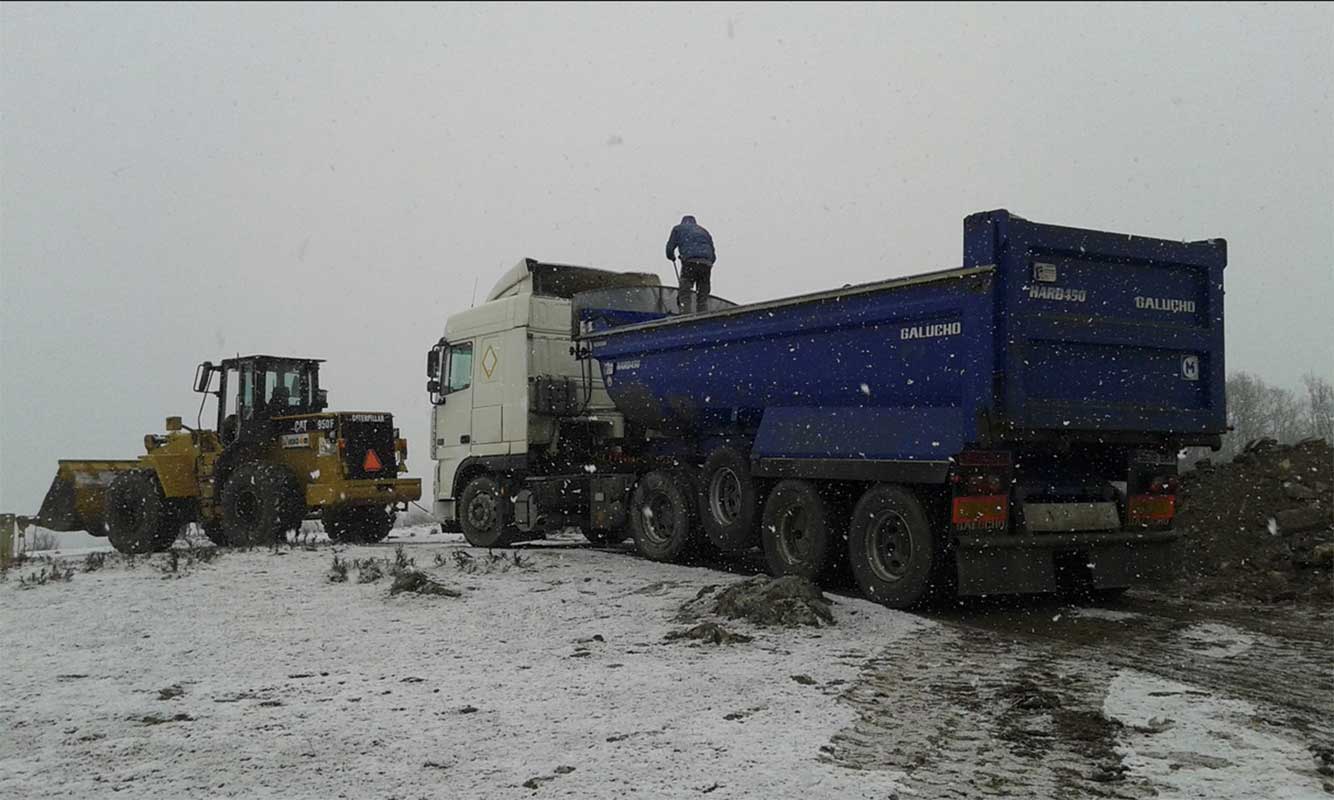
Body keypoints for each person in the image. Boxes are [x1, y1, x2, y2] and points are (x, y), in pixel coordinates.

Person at [664, 214, 716, 313]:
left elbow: (669, 248)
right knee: (702, 294)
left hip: (690, 263)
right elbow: (713, 254)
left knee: (685, 291)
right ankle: (702, 315)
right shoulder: (704, 231)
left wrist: (671, 256)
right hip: (706, 264)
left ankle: (685, 315)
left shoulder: (678, 229)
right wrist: (707, 262)